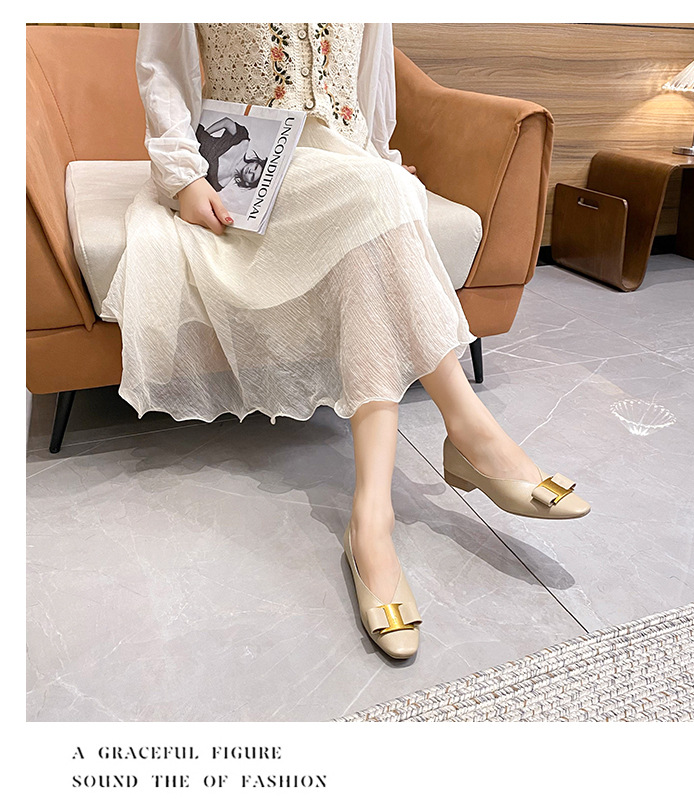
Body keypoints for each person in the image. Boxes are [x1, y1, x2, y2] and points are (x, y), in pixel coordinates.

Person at [101, 23, 590, 662]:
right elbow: (161, 69)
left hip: (344, 157)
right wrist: (184, 176)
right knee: (379, 201)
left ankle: (373, 519)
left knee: (379, 201)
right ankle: (467, 437)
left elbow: (370, 81)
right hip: (247, 167)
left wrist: (378, 158)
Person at [194, 116, 267, 192]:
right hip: (192, 133)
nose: (251, 171)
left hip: (187, 157)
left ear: (247, 183)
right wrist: (204, 134)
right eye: (255, 167)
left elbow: (198, 185)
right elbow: (227, 122)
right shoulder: (243, 142)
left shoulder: (221, 182)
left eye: (252, 176)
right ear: (255, 162)